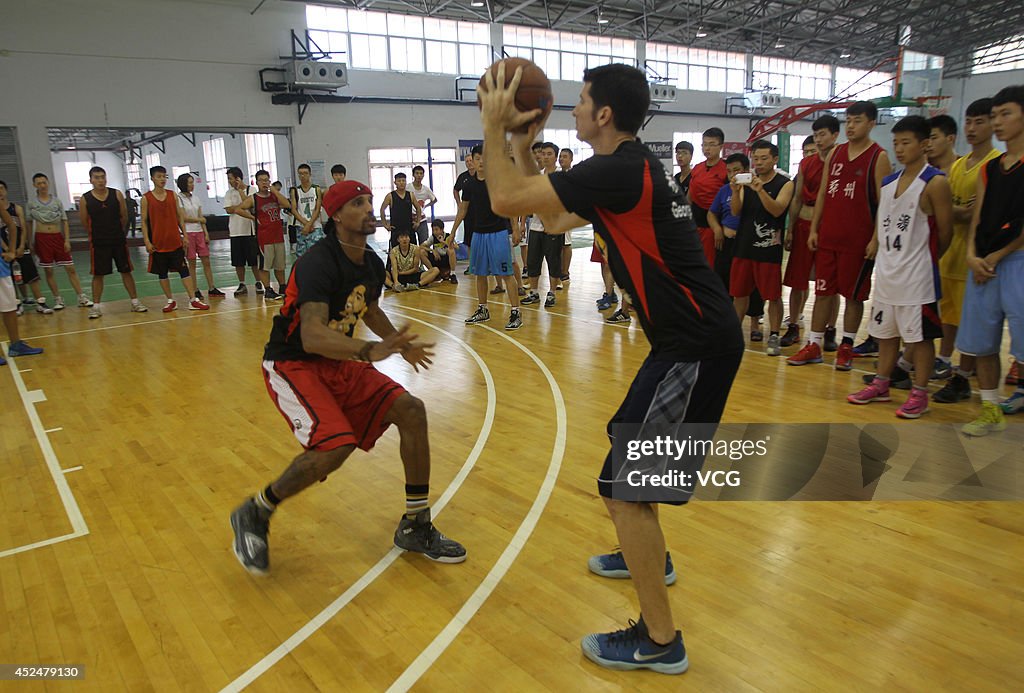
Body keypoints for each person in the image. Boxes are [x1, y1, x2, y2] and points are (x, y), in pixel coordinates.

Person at [478, 61, 743, 674]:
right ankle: (650, 555)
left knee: (623, 490)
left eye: (579, 102)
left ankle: (659, 640)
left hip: (695, 343)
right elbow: (549, 218)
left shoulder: (619, 170)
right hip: (686, 339)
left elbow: (503, 199)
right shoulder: (629, 169)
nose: (569, 110)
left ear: (603, 115)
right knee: (626, 465)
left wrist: (495, 126)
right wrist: (521, 140)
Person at [229, 179, 466, 574]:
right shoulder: (318, 262)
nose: (370, 207)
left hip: (337, 361)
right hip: (294, 363)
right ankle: (256, 510)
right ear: (336, 215)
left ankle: (416, 524)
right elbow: (312, 334)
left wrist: (398, 342)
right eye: (359, 203)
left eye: (370, 200)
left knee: (411, 409)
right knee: (335, 446)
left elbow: (368, 309)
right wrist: (369, 351)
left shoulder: (371, 261)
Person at [847, 116, 953, 418]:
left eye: (906, 142)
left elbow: (946, 233)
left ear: (924, 144)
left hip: (917, 276)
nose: (900, 148)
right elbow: (882, 225)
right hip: (888, 272)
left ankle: (920, 393)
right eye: (896, 143)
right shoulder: (888, 182)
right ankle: (881, 383)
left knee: (920, 339)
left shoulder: (935, 182)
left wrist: (925, 259)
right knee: (885, 333)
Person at [789, 101, 891, 369]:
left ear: (871, 123)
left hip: (858, 241)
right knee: (822, 292)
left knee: (854, 296)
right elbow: (823, 193)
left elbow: (884, 204)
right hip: (828, 238)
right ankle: (814, 343)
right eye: (849, 121)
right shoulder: (836, 153)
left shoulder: (878, 157)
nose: (852, 126)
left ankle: (846, 344)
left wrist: (876, 238)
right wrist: (814, 229)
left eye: (858, 121)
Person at [956, 85, 1024, 433]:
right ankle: (989, 409)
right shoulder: (990, 168)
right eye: (994, 115)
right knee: (981, 343)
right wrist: (972, 255)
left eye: (1005, 114)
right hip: (982, 265)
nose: (998, 122)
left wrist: (996, 255)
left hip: (1016, 262)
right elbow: (978, 217)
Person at [934, 99, 1000, 404]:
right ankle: (945, 361)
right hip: (951, 253)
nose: (972, 129)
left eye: (980, 122)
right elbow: (946, 210)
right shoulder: (959, 165)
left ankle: (964, 374)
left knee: (972, 320)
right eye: (969, 122)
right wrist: (962, 210)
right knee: (948, 316)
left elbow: (982, 216)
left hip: (977, 257)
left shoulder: (997, 164)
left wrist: (959, 211)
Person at [729, 141, 793, 356]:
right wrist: (736, 192)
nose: (759, 163)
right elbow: (736, 212)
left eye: (764, 158)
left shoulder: (785, 183)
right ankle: (733, 334)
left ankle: (774, 334)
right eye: (756, 158)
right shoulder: (747, 183)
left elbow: (777, 210)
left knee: (773, 296)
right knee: (739, 294)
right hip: (744, 246)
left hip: (768, 249)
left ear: (775, 159)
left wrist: (761, 190)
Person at [783, 118, 840, 347]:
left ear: (835, 135)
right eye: (815, 135)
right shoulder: (807, 165)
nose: (819, 140)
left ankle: (830, 330)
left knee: (829, 285)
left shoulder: (842, 162)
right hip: (802, 227)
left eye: (822, 135)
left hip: (830, 230)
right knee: (797, 282)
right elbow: (796, 198)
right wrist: (790, 229)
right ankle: (794, 325)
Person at [454, 144, 523, 330]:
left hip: (499, 233)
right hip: (478, 234)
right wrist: (452, 232)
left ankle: (516, 311)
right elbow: (463, 209)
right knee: (480, 274)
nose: (482, 161)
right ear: (473, 161)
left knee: (506, 273)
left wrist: (515, 229)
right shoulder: (468, 184)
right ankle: (482, 309)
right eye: (478, 158)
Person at [79, 166, 148, 318]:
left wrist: (116, 231)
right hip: (98, 243)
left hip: (117, 240)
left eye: (102, 177)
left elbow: (123, 216)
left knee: (126, 271)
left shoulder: (116, 194)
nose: (100, 180)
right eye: (96, 177)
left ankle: (135, 302)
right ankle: (96, 307)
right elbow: (84, 221)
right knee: (98, 275)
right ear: (91, 180)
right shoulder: (85, 199)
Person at [141, 166, 208, 312]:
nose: (162, 179)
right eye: (158, 176)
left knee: (184, 271)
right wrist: (146, 240)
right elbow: (144, 222)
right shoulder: (146, 198)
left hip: (175, 241)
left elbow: (179, 217)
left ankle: (193, 299)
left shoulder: (173, 195)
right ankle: (170, 300)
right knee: (162, 273)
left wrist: (184, 235)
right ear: (152, 178)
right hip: (158, 243)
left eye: (164, 176)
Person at [26, 173, 92, 309]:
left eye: (44, 182)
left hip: (57, 237)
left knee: (70, 268)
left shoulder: (57, 201)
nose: (42, 185)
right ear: (34, 185)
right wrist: (30, 242)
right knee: (48, 270)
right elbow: (28, 224)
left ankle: (81, 296)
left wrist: (66, 240)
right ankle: (58, 299)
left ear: (48, 183)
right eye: (39, 183)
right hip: (42, 238)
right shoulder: (31, 204)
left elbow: (64, 221)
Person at [236, 170, 291, 300]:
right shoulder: (254, 198)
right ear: (257, 182)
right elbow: (238, 209)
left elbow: (287, 204)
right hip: (264, 237)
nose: (264, 182)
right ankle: (268, 290)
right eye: (262, 180)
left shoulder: (274, 196)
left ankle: (282, 287)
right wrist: (253, 217)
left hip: (278, 236)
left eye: (266, 180)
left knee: (280, 265)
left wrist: (275, 191)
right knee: (264, 266)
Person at [0, 181, 53, 314]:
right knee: (10, 277)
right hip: (6, 250)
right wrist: (7, 248)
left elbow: (23, 228)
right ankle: (16, 304)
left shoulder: (16, 208)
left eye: (1, 188)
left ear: (6, 190)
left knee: (31, 275)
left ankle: (41, 302)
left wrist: (22, 245)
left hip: (21, 247)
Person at [0, 204, 43, 365]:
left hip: (1, 267)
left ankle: (16, 344)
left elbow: (11, 225)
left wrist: (11, 250)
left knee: (9, 307)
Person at [522, 142, 563, 308]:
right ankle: (534, 292)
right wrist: (522, 223)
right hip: (536, 226)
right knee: (533, 260)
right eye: (543, 153)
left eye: (549, 154)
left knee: (553, 261)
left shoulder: (561, 177)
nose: (545, 157)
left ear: (555, 157)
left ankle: (552, 293)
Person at [177, 173, 223, 299]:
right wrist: (198, 220)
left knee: (206, 261)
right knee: (192, 263)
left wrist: (205, 232)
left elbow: (201, 217)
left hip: (199, 232)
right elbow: (182, 217)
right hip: (188, 232)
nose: (192, 185)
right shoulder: (179, 199)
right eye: (189, 182)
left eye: (192, 182)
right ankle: (195, 289)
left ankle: (212, 287)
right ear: (183, 184)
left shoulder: (196, 198)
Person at [687, 127, 727, 267]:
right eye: (704, 144)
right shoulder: (697, 168)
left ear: (721, 146)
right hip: (696, 222)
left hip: (715, 224)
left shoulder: (726, 169)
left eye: (711, 144)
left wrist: (718, 228)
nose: (707, 148)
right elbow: (690, 196)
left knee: (711, 264)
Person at [224, 166, 260, 296]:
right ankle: (242, 283)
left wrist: (240, 192)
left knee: (254, 260)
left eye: (231, 178)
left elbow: (251, 205)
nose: (229, 181)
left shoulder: (252, 190)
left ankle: (258, 282)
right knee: (238, 261)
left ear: (238, 178)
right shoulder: (228, 193)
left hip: (249, 231)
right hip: (235, 231)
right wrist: (241, 207)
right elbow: (228, 209)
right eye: (228, 179)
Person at [290, 163, 326, 258]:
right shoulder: (295, 191)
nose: (303, 176)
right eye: (300, 173)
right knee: (302, 256)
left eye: (305, 173)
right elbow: (294, 209)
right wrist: (305, 224)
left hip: (315, 226)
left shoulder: (316, 189)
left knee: (317, 254)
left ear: (310, 174)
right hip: (301, 227)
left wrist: (310, 224)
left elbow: (317, 208)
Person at [380, 172, 421, 250]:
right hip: (396, 229)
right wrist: (385, 225)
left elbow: (418, 208)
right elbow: (382, 209)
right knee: (395, 252)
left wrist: (418, 222)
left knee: (413, 250)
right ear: (395, 182)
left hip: (409, 228)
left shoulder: (411, 195)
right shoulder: (390, 196)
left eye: (403, 180)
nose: (401, 183)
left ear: (406, 182)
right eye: (399, 181)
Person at [453, 154, 477, 273]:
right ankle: (472, 265)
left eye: (471, 160)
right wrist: (459, 204)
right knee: (469, 240)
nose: (469, 163)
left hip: (482, 214)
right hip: (468, 213)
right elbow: (455, 190)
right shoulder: (463, 177)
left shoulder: (482, 176)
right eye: (467, 161)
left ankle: (487, 265)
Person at [422, 219, 457, 284]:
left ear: (442, 229)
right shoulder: (432, 237)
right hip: (437, 258)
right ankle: (433, 272)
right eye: (433, 230)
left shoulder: (448, 236)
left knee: (451, 250)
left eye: (436, 229)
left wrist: (443, 242)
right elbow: (421, 246)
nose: (435, 232)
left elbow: (456, 247)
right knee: (422, 252)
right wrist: (432, 250)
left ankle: (453, 274)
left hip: (446, 259)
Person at [410, 165, 438, 244]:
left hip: (422, 220)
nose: (419, 175)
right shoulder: (408, 187)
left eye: (421, 173)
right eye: (417, 173)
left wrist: (426, 206)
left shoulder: (426, 189)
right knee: (411, 245)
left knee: (424, 244)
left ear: (423, 175)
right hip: (409, 220)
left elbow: (434, 199)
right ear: (413, 174)